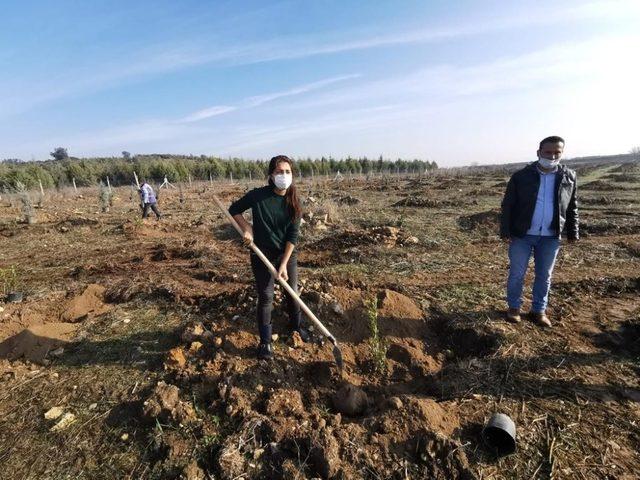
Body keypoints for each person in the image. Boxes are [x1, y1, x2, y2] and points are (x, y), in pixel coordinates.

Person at [229, 155, 308, 360]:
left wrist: (283, 264)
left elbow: (293, 236)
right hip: (261, 253)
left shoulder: (294, 201)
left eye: (288, 172)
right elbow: (234, 210)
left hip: (286, 254)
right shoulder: (258, 196)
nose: (284, 176)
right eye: (279, 172)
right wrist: (247, 229)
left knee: (292, 291)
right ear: (271, 175)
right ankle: (265, 342)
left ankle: (296, 328)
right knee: (266, 297)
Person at [500, 136, 579, 327]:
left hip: (550, 236)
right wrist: (505, 230)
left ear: (562, 153)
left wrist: (573, 231)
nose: (552, 156)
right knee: (517, 273)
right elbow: (508, 205)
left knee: (545, 275)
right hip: (523, 234)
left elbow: (572, 206)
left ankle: (539, 310)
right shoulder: (521, 176)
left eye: (557, 152)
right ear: (539, 153)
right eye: (548, 152)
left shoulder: (569, 176)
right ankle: (514, 308)